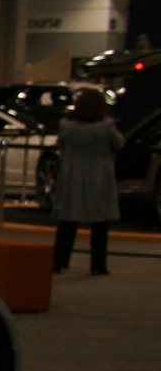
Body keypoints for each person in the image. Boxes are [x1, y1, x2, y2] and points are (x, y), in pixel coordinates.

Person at [51, 87, 122, 276]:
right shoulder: (106, 125)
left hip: (72, 174)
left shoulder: (67, 125)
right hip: (99, 174)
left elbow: (60, 145)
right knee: (99, 224)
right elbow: (118, 143)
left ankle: (59, 261)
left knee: (67, 222)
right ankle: (98, 265)